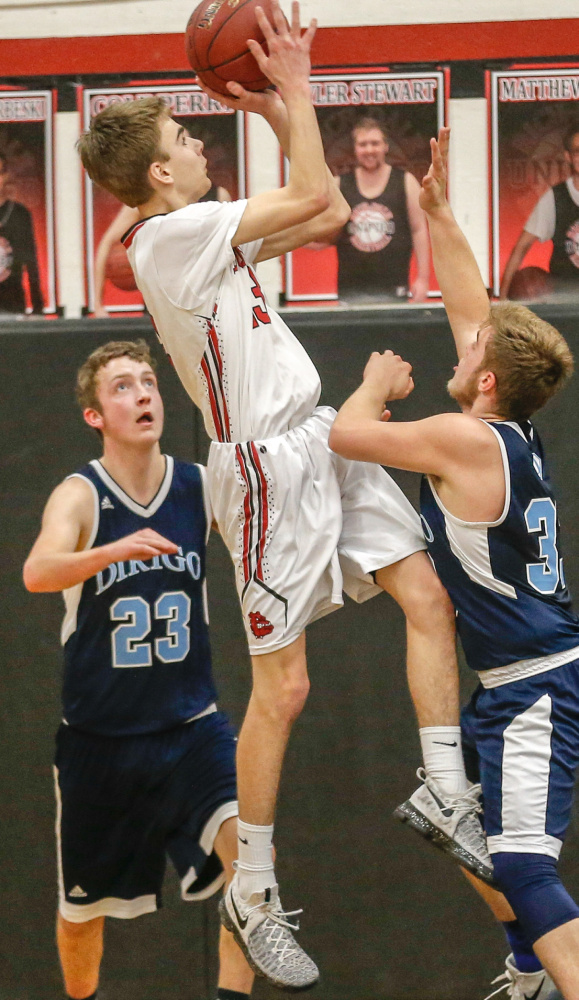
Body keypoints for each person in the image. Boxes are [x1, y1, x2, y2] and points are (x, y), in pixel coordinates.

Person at [76, 3, 490, 989]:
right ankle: (251, 888)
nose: (194, 141)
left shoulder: (200, 230)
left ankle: (442, 787)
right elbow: (315, 186)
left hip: (319, 436)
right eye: (185, 137)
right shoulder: (170, 237)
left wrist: (271, 113)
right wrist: (295, 88)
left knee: (426, 597)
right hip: (261, 469)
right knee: (286, 690)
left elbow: (331, 214)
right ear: (159, 177)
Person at [329, 126, 579, 1000]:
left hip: (536, 685)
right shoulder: (502, 426)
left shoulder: (458, 439)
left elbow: (346, 434)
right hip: (511, 678)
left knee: (523, 864)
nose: (457, 347)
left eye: (468, 353)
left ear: (484, 382)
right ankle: (526, 969)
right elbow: (476, 309)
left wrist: (373, 382)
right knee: (460, 829)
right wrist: (436, 211)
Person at [23, 340, 254, 1000]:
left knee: (252, 863)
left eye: (148, 382)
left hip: (191, 728)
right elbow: (38, 572)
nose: (143, 395)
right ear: (95, 414)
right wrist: (114, 549)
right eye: (122, 387)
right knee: (82, 918)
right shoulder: (80, 494)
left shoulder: (197, 484)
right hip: (102, 742)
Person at [93, 182, 231, 317]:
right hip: (162, 301)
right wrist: (98, 304)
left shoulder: (218, 195)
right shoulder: (149, 198)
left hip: (209, 298)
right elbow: (107, 243)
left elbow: (230, 251)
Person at [334, 116, 430, 304]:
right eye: (363, 144)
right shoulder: (339, 185)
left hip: (394, 289)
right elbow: (324, 232)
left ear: (385, 146)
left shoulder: (406, 182)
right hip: (350, 291)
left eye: (375, 143)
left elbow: (419, 230)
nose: (369, 150)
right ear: (355, 149)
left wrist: (423, 279)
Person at [500, 124, 579, 299]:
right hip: (564, 304)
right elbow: (520, 248)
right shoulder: (556, 197)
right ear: (568, 157)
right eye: (578, 151)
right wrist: (503, 303)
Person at [0, 150, 44, 315]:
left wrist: (38, 308)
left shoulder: (19, 214)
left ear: (6, 176)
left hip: (13, 304)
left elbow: (31, 262)